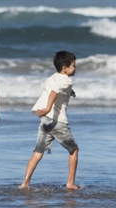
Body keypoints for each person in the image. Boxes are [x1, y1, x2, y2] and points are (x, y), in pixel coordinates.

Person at [20, 51, 81, 190]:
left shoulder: (52, 78)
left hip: (45, 122)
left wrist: (69, 91)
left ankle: (25, 183)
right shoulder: (66, 80)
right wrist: (48, 108)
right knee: (74, 150)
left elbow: (54, 89)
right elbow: (54, 92)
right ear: (65, 68)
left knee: (38, 152)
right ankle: (71, 184)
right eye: (73, 65)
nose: (75, 68)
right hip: (57, 121)